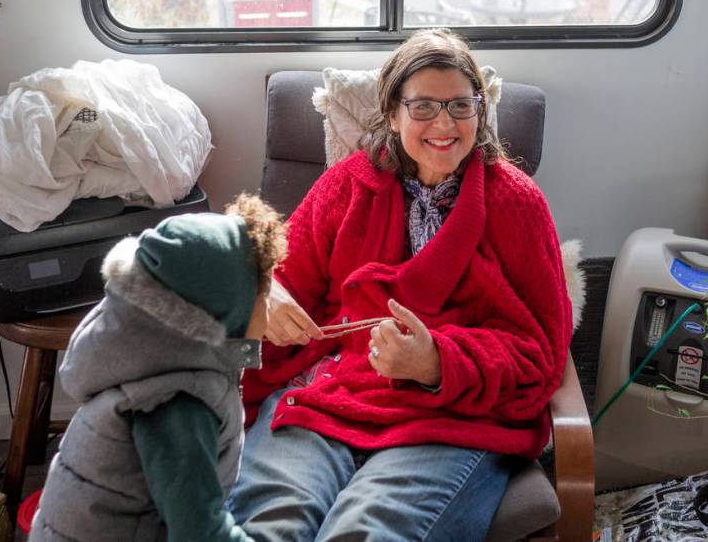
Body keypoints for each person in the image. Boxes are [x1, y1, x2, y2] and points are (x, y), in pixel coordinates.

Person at [229, 28, 573, 541]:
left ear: (480, 112)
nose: (444, 123)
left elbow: (542, 349)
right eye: (424, 107)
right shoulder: (347, 185)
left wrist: (437, 362)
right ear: (392, 113)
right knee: (270, 523)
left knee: (368, 531)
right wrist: (265, 293)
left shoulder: (517, 204)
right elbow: (275, 272)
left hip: (449, 414)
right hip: (331, 391)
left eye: (461, 106)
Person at [30, 194, 287, 542]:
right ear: (226, 310)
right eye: (263, 298)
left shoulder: (156, 363)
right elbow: (199, 531)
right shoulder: (175, 402)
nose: (268, 313)